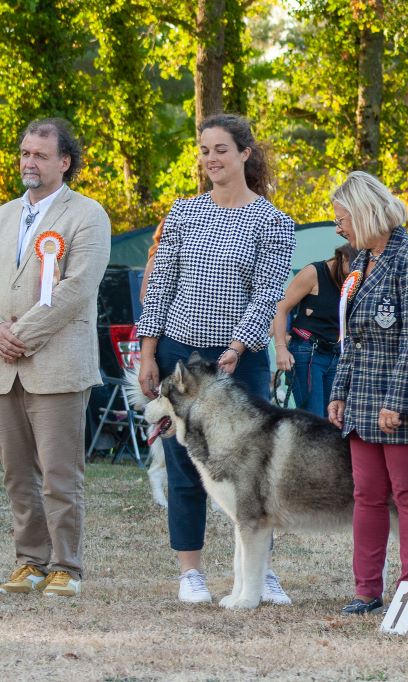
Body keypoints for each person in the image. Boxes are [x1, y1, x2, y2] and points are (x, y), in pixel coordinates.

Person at [135, 113, 296, 605]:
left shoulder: (274, 221)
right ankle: (191, 571)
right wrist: (147, 353)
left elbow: (267, 294)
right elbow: (159, 287)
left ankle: (258, 571)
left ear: (245, 154)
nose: (211, 160)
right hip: (179, 353)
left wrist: (239, 346)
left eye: (220, 150)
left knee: (251, 468)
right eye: (204, 151)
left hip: (238, 361)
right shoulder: (183, 213)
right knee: (186, 465)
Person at [326, 171, 408, 615]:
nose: (337, 226)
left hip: (406, 403)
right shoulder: (363, 259)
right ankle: (366, 590)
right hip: (362, 400)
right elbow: (351, 336)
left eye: (342, 217)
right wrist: (339, 392)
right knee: (366, 495)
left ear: (364, 212)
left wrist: (396, 402)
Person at [0, 118, 111, 598]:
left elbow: (76, 288)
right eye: (25, 152)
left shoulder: (87, 215)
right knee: (16, 475)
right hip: (5, 367)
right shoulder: (4, 214)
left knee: (60, 475)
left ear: (64, 162)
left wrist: (19, 335)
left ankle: (66, 566)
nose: (29, 161)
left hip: (58, 364)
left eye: (40, 155)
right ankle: (30, 561)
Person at [272, 243, 358, 418]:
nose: (355, 277)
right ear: (343, 258)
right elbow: (281, 307)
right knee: (314, 419)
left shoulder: (356, 281)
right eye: (353, 271)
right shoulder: (314, 272)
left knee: (334, 418)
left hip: (335, 353)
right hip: (308, 352)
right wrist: (280, 348)